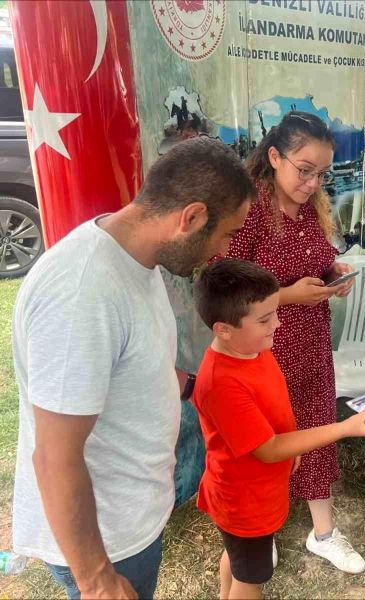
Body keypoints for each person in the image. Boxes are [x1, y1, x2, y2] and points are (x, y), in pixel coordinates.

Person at [11, 137, 254, 599]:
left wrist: (213, 391)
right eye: (225, 234)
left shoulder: (136, 263)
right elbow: (55, 456)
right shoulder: (82, 292)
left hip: (133, 519)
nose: (222, 250)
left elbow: (144, 371)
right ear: (192, 218)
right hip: (107, 541)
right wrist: (96, 578)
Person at [224, 111, 365, 573]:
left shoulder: (309, 209)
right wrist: (286, 295)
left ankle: (322, 532)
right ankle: (258, 530)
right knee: (268, 439)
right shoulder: (248, 211)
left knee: (317, 428)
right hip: (264, 347)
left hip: (311, 340)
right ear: (274, 157)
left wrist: (332, 274)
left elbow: (313, 263)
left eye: (321, 173)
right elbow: (225, 287)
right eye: (305, 170)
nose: (312, 182)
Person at [190, 259, 365, 599]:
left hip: (255, 490)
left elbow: (272, 423)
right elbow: (269, 447)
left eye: (275, 312)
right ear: (223, 329)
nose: (277, 323)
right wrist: (344, 427)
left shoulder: (252, 348)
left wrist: (289, 454)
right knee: (251, 578)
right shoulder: (221, 382)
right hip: (245, 502)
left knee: (238, 559)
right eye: (265, 319)